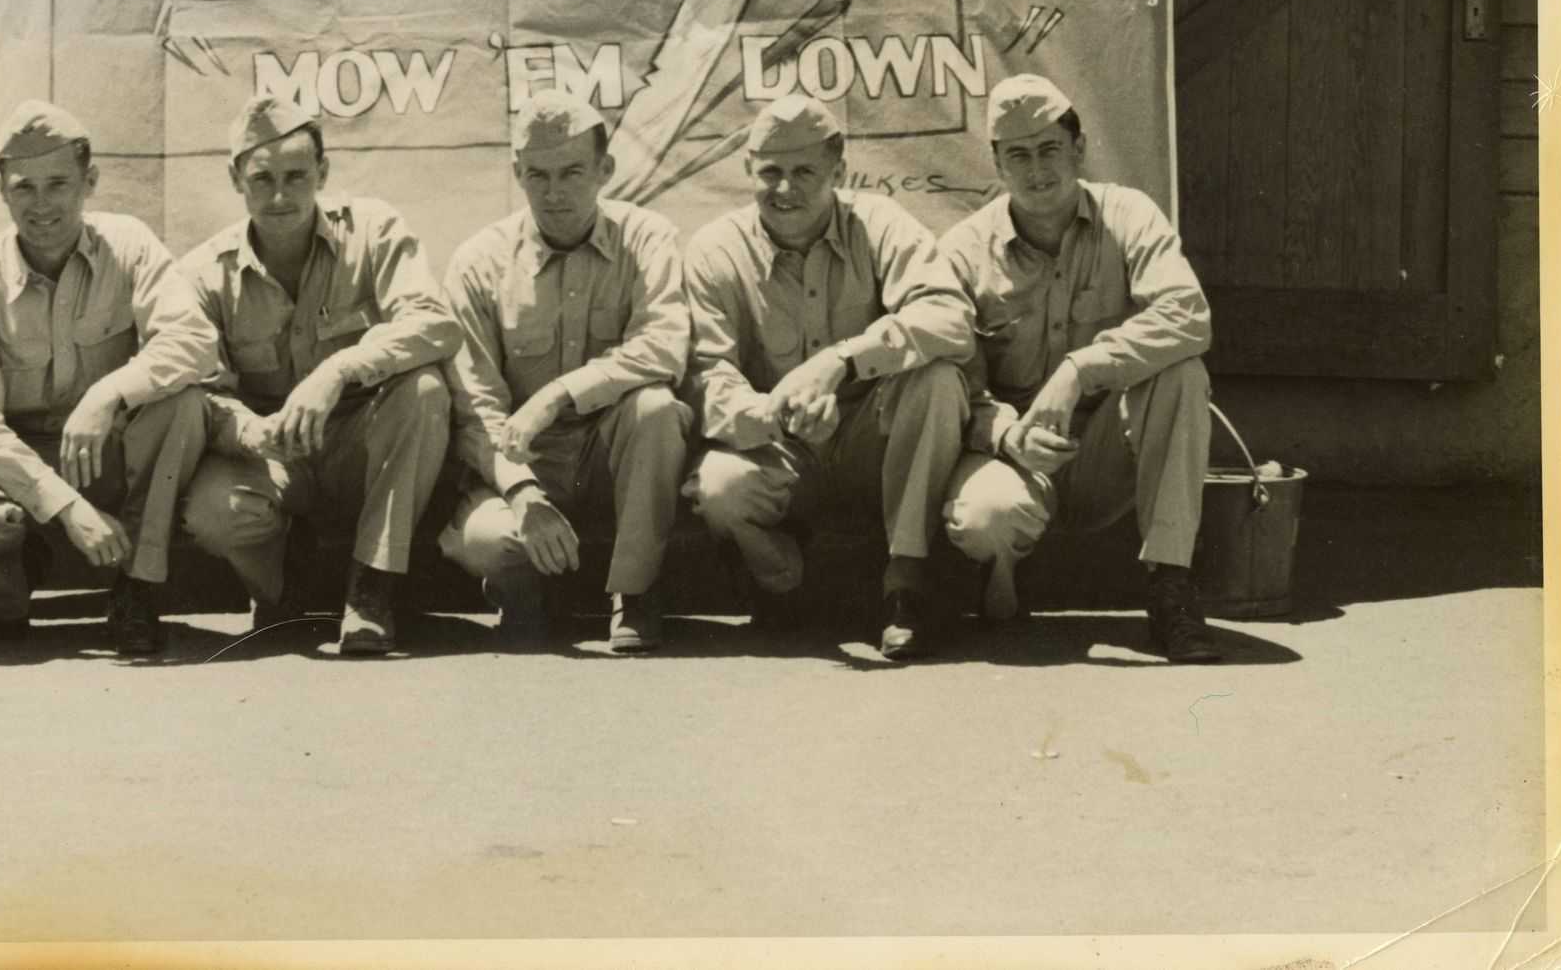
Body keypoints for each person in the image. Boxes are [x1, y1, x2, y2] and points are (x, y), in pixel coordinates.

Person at [936, 74, 1223, 664]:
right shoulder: (963, 250)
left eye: (1050, 151)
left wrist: (1080, 369)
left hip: (1106, 448)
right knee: (986, 520)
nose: (1037, 171)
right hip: (1013, 453)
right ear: (996, 163)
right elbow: (953, 373)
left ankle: (1170, 588)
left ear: (1080, 148)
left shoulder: (1128, 213)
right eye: (1018, 156)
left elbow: (1189, 315)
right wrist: (1008, 435)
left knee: (1182, 373)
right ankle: (1000, 573)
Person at [0, 102, 213, 659]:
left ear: (90, 182)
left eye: (60, 184)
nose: (42, 204)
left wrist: (108, 393)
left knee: (184, 403)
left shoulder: (130, 245)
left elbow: (194, 341)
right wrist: (67, 507)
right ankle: (9, 594)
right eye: (24, 188)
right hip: (14, 464)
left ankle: (139, 588)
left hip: (108, 455)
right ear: (1, 190)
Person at [683, 94, 974, 659]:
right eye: (770, 172)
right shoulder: (716, 250)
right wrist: (774, 411)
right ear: (748, 170)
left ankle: (906, 583)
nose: (785, 189)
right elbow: (705, 373)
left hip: (873, 441)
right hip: (782, 446)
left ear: (838, 171)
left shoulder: (880, 223)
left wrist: (841, 361)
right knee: (719, 487)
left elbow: (949, 317)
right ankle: (778, 581)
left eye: (804, 172)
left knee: (937, 379)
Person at [169, 91, 457, 655]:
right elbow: (202, 389)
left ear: (322, 173)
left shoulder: (373, 230)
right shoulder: (204, 274)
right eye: (263, 179)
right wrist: (250, 431)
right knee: (212, 511)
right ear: (236, 180)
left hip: (360, 444)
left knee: (424, 390)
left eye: (297, 176)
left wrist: (340, 371)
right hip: (272, 452)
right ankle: (280, 591)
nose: (280, 196)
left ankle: (371, 587)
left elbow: (436, 323)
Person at [437, 90, 692, 653]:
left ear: (605, 170)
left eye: (573, 172)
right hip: (525, 462)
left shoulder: (647, 238)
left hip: (612, 457)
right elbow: (476, 404)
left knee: (655, 408)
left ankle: (636, 593)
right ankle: (523, 591)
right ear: (517, 173)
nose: (554, 193)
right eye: (538, 175)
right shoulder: (479, 263)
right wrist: (524, 493)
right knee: (485, 540)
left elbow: (665, 346)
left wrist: (555, 394)